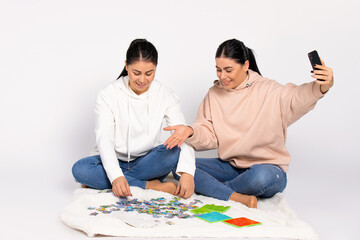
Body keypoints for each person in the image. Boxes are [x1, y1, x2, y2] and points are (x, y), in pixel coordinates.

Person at [164, 39, 334, 208]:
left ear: (245, 65)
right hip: (230, 166)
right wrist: (190, 131)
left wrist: (323, 85)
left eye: (228, 70)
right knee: (180, 165)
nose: (222, 76)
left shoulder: (269, 90)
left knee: (259, 178)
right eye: (218, 70)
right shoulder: (214, 94)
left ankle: (219, 191)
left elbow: (298, 97)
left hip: (267, 170)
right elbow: (209, 134)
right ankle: (235, 195)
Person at [72, 39, 195, 198]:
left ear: (156, 68)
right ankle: (149, 185)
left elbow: (181, 133)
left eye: (149, 73)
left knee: (172, 151)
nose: (142, 80)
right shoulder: (108, 95)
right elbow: (105, 139)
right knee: (80, 169)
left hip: (148, 162)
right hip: (115, 159)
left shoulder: (166, 95)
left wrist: (188, 173)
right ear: (126, 66)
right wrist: (116, 176)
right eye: (136, 73)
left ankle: (105, 180)